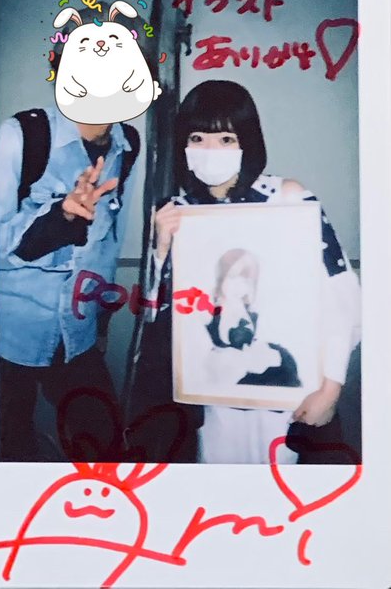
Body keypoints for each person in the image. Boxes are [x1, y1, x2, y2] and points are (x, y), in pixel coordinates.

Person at [147, 79, 360, 464]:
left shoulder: (288, 198)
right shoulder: (177, 211)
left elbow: (342, 298)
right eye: (197, 138)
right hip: (209, 400)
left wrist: (330, 389)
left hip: (290, 398)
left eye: (226, 139)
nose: (210, 150)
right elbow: (156, 318)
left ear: (247, 142)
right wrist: (160, 252)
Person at [0, 97, 139, 462]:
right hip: (8, 336)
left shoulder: (128, 144)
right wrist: (59, 219)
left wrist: (102, 320)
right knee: (10, 452)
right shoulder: (23, 134)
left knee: (108, 451)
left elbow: (109, 245)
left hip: (79, 332)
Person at [203, 248, 301, 390]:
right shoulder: (211, 309)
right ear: (221, 277)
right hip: (225, 368)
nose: (239, 286)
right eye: (233, 277)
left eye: (246, 281)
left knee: (285, 362)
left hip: (251, 362)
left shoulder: (248, 309)